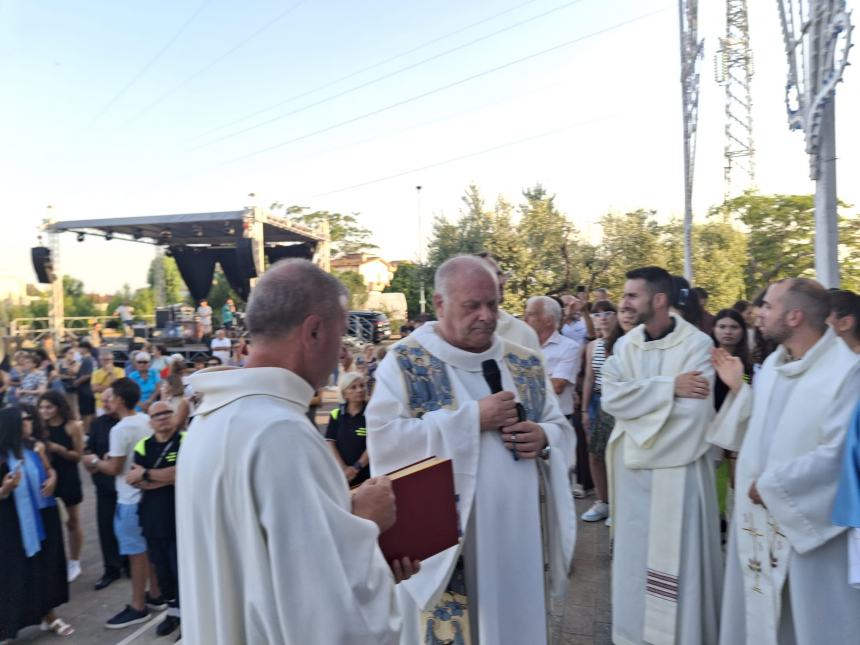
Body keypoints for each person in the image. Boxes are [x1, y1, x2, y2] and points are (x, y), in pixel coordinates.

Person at [177, 259, 418, 645]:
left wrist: (352, 539)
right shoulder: (281, 433)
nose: (341, 354)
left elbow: (267, 577)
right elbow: (328, 622)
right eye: (340, 337)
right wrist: (367, 523)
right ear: (314, 331)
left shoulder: (208, 420)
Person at [367, 255, 575, 644]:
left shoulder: (524, 362)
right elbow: (382, 437)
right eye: (472, 305)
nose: (485, 315)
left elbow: (561, 428)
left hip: (516, 536)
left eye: (492, 304)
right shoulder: (406, 362)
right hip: (446, 549)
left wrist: (545, 438)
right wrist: (470, 420)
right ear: (441, 304)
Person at [710, 278, 860, 644]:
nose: (759, 313)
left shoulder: (847, 372)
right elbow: (767, 426)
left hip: (807, 525)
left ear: (794, 316)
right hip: (758, 521)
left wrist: (774, 487)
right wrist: (738, 392)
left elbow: (842, 453)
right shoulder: (776, 364)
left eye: (768, 306)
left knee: (810, 623)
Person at [601, 266, 721, 645]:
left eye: (632, 296)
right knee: (636, 567)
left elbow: (695, 414)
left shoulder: (697, 345)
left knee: (679, 571)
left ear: (659, 300)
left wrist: (639, 409)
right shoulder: (625, 345)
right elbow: (611, 398)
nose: (624, 303)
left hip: (679, 476)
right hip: (635, 480)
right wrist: (669, 387)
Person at [84, 377, 164, 629]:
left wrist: (95, 462)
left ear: (119, 399)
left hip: (129, 499)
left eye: (110, 396)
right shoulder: (143, 420)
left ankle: (138, 605)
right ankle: (156, 593)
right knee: (148, 552)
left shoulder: (119, 429)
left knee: (136, 555)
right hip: (147, 496)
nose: (106, 400)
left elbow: (115, 467)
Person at [0, 407, 74, 640]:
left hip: (43, 518)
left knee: (44, 568)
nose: (29, 422)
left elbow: (49, 470)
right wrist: (5, 489)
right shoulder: (2, 457)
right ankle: (8, 625)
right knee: (14, 573)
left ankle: (49, 614)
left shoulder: (35, 447)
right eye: (24, 420)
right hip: (12, 525)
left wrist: (52, 479)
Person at [127, 401, 184, 637]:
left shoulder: (187, 440)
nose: (162, 418)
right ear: (150, 421)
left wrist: (149, 474)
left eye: (166, 413)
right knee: (163, 572)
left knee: (182, 570)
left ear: (173, 416)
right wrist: (167, 476)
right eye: (156, 415)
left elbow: (183, 473)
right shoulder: (143, 446)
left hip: (181, 519)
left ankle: (191, 618)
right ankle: (173, 613)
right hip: (153, 519)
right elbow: (133, 479)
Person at [523, 295, 582, 490]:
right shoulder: (521, 348)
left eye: (530, 314)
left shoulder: (569, 347)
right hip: (529, 423)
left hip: (557, 424)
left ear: (548, 319)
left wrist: (523, 379)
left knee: (557, 485)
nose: (524, 319)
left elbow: (558, 386)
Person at [579, 299, 624, 523]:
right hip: (597, 400)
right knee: (594, 453)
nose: (603, 317)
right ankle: (602, 500)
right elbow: (589, 377)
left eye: (608, 312)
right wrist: (585, 410)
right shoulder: (591, 346)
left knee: (615, 453)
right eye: (597, 314)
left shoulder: (624, 343)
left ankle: (618, 504)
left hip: (616, 400)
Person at [37, 390, 85, 583]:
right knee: (50, 521)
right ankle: (54, 562)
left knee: (72, 521)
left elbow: (78, 456)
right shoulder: (40, 427)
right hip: (47, 477)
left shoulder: (72, 426)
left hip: (68, 476)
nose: (44, 411)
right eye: (41, 407)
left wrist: (59, 449)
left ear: (58, 407)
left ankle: (74, 561)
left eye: (49, 407)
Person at [85, 388, 123, 590]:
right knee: (105, 527)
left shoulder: (126, 422)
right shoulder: (98, 424)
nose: (106, 403)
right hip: (104, 485)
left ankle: (130, 564)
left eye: (110, 399)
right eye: (103, 400)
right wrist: (91, 460)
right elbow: (88, 450)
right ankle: (111, 568)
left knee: (126, 527)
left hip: (127, 486)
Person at [474, 251, 542, 352]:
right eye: (492, 275)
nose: (502, 282)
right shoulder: (448, 333)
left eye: (500, 275)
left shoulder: (524, 333)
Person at [326, 372, 371, 486]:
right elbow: (330, 442)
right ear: (344, 393)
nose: (360, 390)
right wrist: (344, 468)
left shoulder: (372, 414)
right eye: (353, 387)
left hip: (365, 477)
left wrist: (356, 468)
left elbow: (374, 444)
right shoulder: (336, 414)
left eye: (362, 386)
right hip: (341, 475)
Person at [92, 349, 125, 415]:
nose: (108, 361)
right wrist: (110, 388)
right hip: (100, 404)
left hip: (115, 404)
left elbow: (118, 386)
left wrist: (111, 373)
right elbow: (94, 388)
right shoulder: (96, 373)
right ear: (100, 361)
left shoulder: (120, 371)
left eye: (110, 359)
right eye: (105, 360)